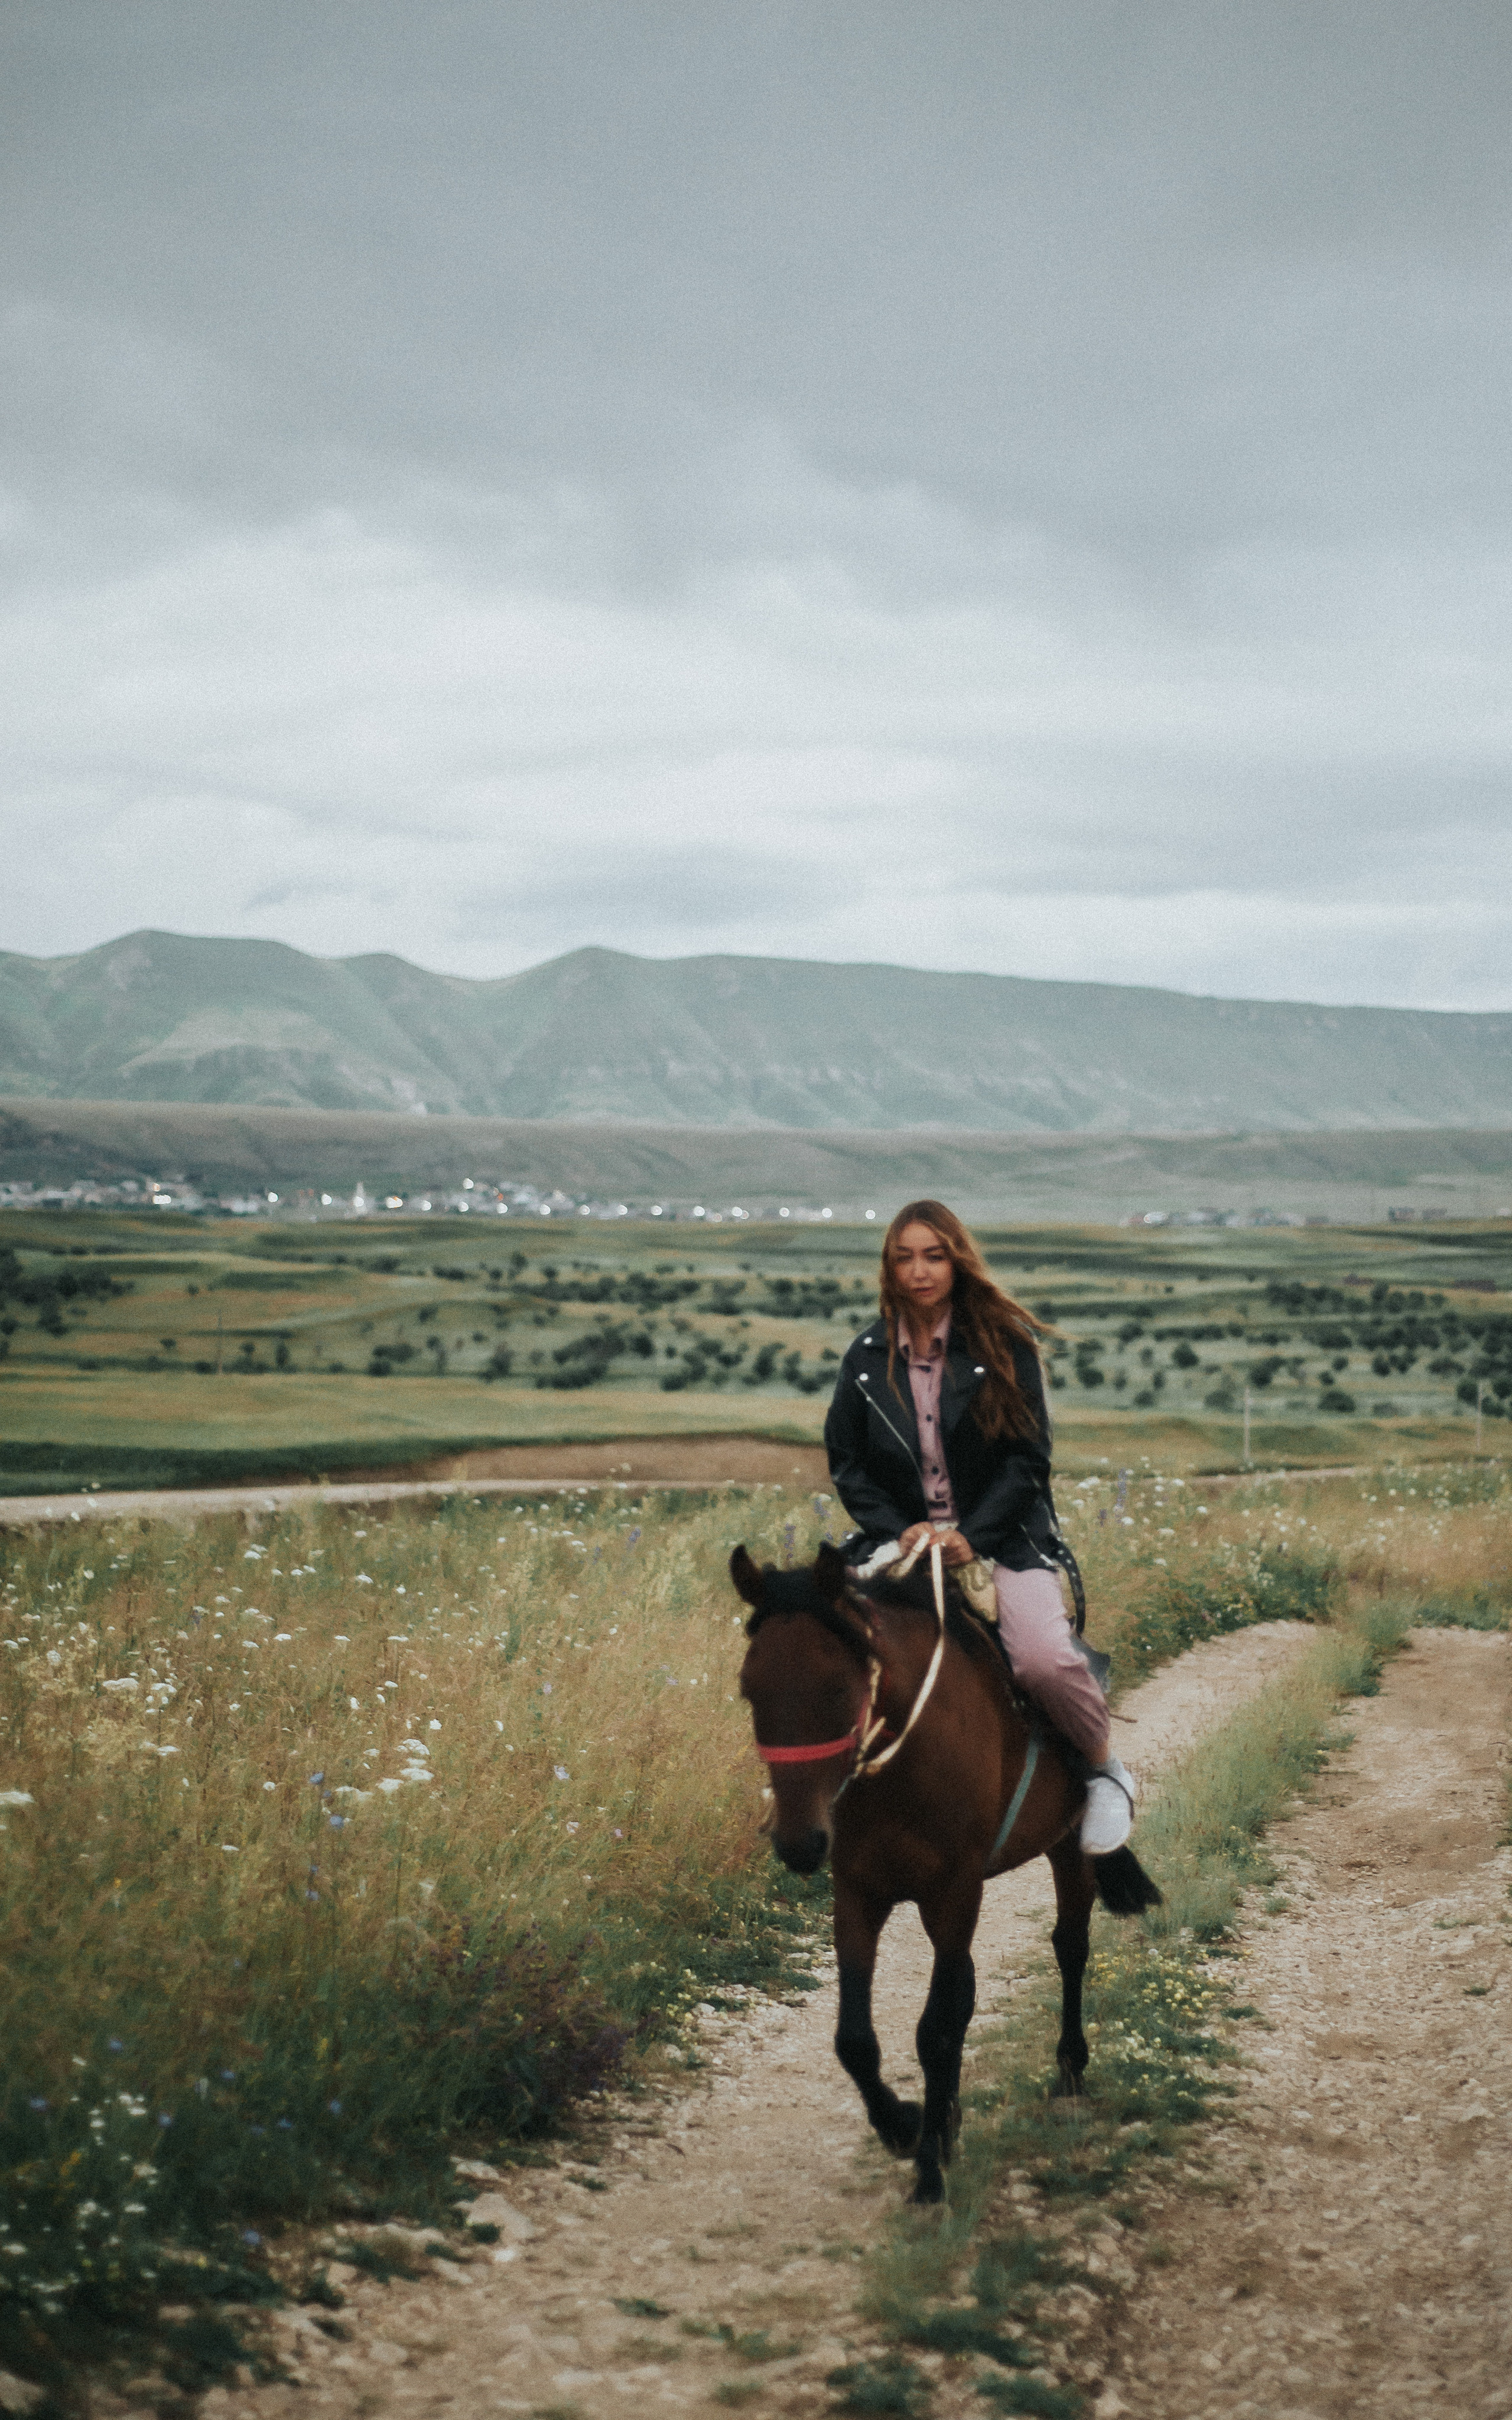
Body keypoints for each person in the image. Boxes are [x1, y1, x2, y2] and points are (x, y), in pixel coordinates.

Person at [823, 1198, 1135, 1855]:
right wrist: (900, 1527)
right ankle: (824, 1795)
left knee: (1044, 1660)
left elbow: (1028, 1459)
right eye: (904, 1257)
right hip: (901, 1540)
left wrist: (977, 1534)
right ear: (888, 1267)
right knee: (822, 1646)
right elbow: (848, 1465)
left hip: (1001, 1538)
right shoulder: (865, 1359)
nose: (919, 1271)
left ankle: (1106, 1767)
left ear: (957, 1261)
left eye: (933, 1255)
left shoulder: (1002, 1347)